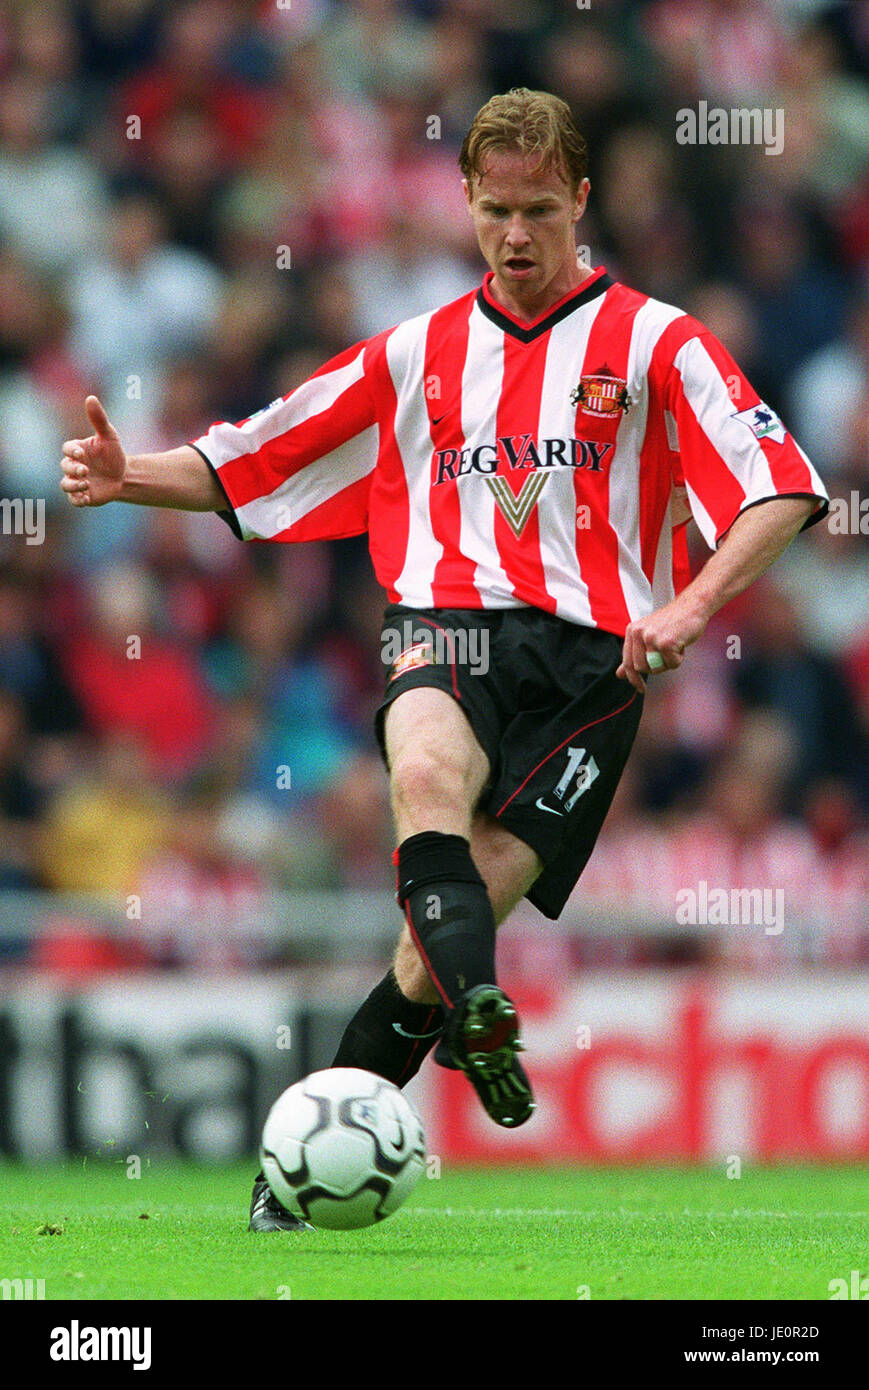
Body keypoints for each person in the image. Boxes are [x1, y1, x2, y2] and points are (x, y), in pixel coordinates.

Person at [60, 89, 828, 1231]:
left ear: (578, 199)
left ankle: (375, 1082)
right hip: (445, 624)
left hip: (595, 670)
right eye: (490, 211)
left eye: (535, 210)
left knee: (416, 957)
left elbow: (784, 485)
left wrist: (689, 604)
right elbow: (257, 459)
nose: (514, 236)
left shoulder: (659, 342)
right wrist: (131, 475)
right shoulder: (418, 350)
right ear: (463, 203)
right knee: (422, 777)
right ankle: (480, 1004)